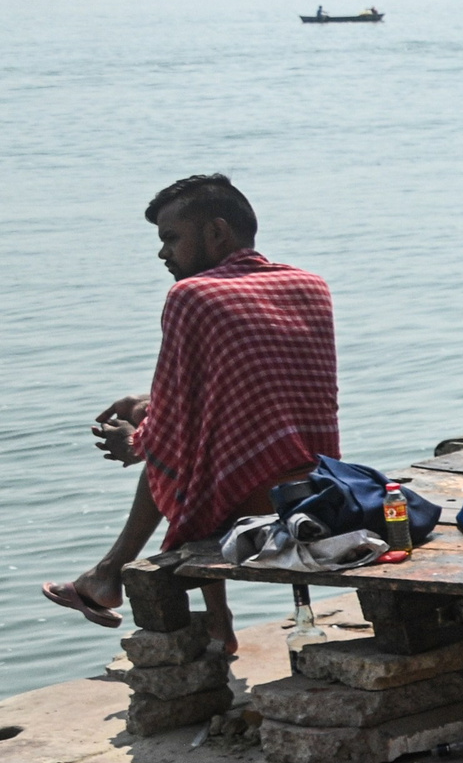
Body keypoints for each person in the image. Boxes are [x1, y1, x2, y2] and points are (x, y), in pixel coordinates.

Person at [41, 175, 337, 656]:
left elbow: (177, 428)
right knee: (177, 439)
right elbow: (245, 392)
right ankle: (116, 581)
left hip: (256, 495)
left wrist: (135, 442)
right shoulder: (308, 284)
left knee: (174, 459)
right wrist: (145, 407)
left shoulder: (192, 296)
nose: (163, 254)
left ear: (217, 232)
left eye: (171, 238)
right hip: (316, 481)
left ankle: (127, 583)